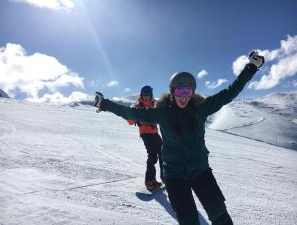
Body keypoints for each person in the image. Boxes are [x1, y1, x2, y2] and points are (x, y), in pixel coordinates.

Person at [94, 51, 264, 225]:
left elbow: (230, 92)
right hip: (175, 175)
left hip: (201, 171)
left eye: (188, 91)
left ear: (193, 92)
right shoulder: (162, 113)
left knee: (219, 215)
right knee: (188, 219)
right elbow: (129, 112)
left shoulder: (201, 108)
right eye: (180, 91)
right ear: (172, 92)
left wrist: (251, 68)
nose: (184, 96)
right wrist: (104, 104)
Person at [127, 85, 164, 191]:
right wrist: (132, 112)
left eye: (148, 94)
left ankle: (164, 176)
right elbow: (130, 121)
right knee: (152, 155)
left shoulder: (155, 105)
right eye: (144, 94)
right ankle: (150, 181)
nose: (146, 96)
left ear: (151, 95)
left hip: (155, 132)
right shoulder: (138, 106)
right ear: (141, 95)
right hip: (145, 133)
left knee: (163, 153)